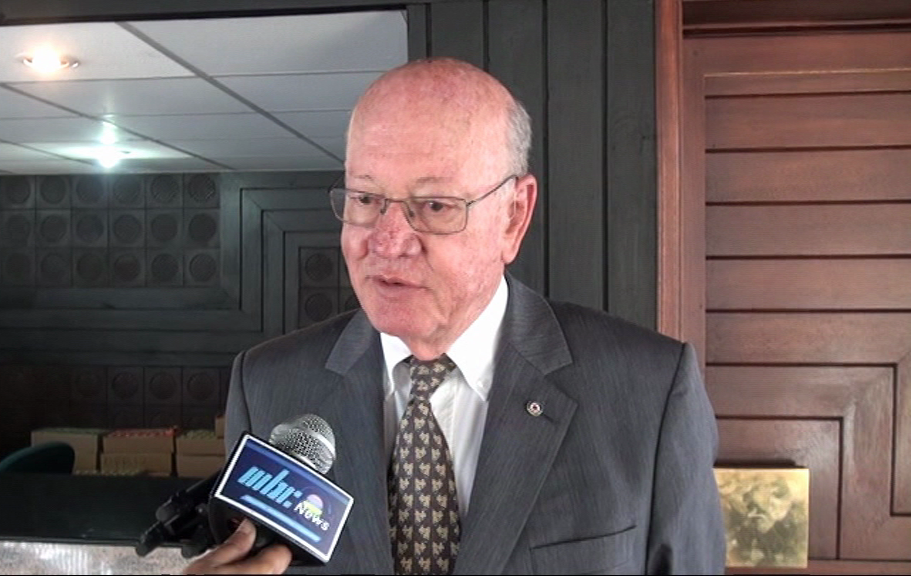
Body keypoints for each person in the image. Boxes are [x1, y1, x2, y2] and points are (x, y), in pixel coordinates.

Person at [184, 56, 725, 575]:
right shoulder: (268, 385)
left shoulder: (649, 392)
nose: (387, 242)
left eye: (435, 206)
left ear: (513, 216)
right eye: (365, 199)